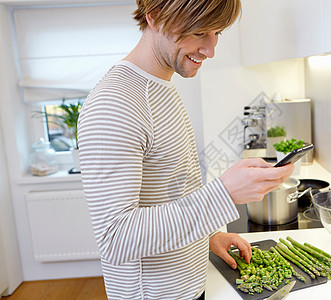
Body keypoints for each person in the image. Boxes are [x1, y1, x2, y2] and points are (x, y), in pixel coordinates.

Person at [77, 0, 294, 299]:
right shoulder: (115, 104)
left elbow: (171, 194)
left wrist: (209, 236)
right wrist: (225, 194)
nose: (210, 49)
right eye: (199, 31)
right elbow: (117, 238)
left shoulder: (160, 86)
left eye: (217, 32)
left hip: (190, 286)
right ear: (154, 18)